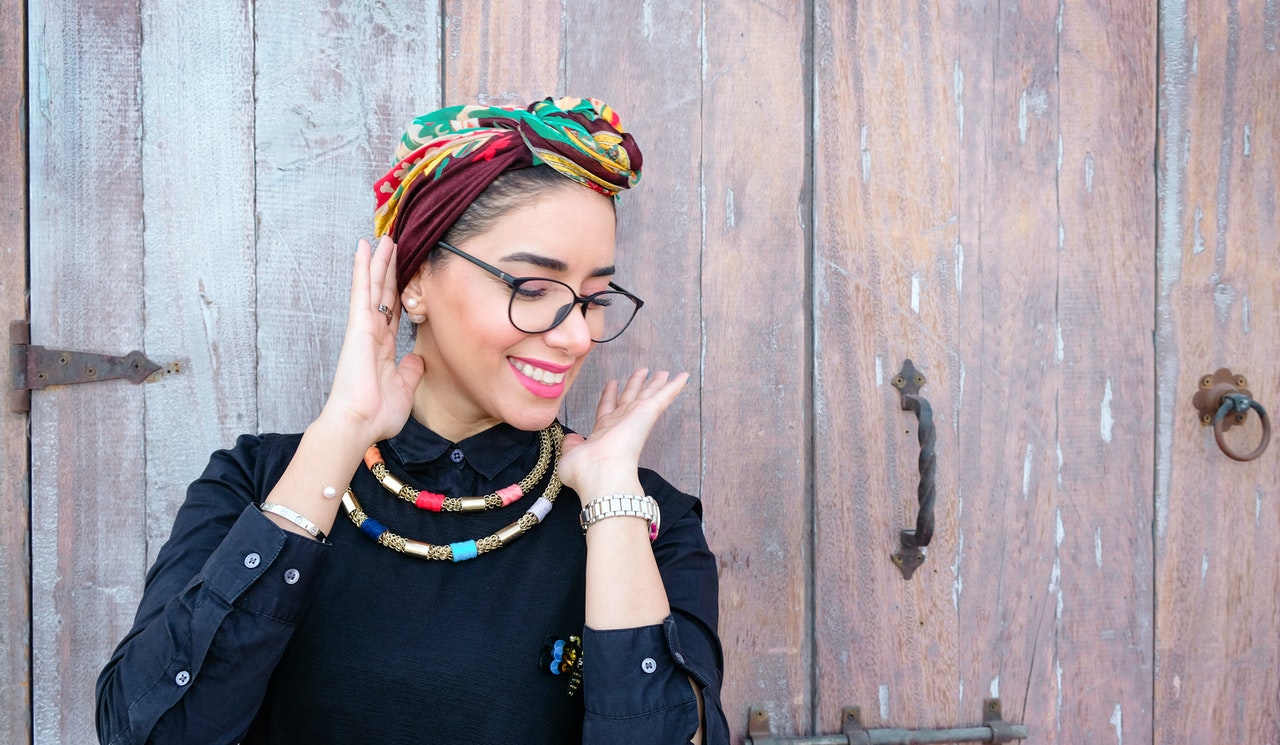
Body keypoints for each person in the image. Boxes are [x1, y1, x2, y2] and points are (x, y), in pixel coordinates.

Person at [96, 97, 728, 744]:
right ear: (417, 280)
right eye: (532, 289)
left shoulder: (649, 522)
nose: (576, 337)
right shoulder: (255, 485)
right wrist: (342, 432)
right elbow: (148, 731)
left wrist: (613, 503)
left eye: (594, 298)